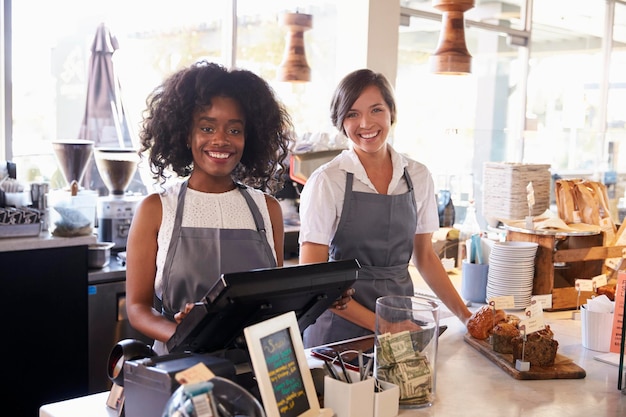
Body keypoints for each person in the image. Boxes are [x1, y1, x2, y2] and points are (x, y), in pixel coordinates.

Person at [125, 61, 293, 355]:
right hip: (177, 365)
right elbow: (137, 308)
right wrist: (185, 333)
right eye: (207, 127)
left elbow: (273, 300)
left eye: (234, 130)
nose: (221, 140)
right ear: (185, 134)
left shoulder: (268, 210)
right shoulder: (156, 209)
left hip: (251, 364)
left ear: (248, 137)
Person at [298, 68, 472, 347]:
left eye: (376, 110)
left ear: (391, 112)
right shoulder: (327, 181)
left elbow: (425, 257)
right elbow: (311, 281)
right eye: (352, 114)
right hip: (338, 332)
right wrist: (382, 325)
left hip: (401, 322)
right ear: (341, 121)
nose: (365, 123)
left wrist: (466, 317)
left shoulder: (417, 175)